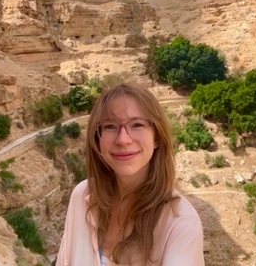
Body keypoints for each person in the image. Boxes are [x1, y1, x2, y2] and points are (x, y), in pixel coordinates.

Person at [56, 83, 204, 266]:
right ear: (97, 138)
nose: (123, 139)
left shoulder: (180, 222)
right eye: (110, 126)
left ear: (156, 137)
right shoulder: (83, 196)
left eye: (137, 125)